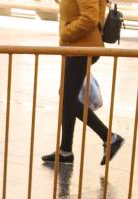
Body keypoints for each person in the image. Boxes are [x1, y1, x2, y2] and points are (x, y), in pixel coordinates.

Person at [42, 0, 123, 167]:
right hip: (76, 47)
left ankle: (110, 138)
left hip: (82, 47)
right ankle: (65, 151)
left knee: (67, 97)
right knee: (67, 96)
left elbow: (90, 17)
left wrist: (66, 33)